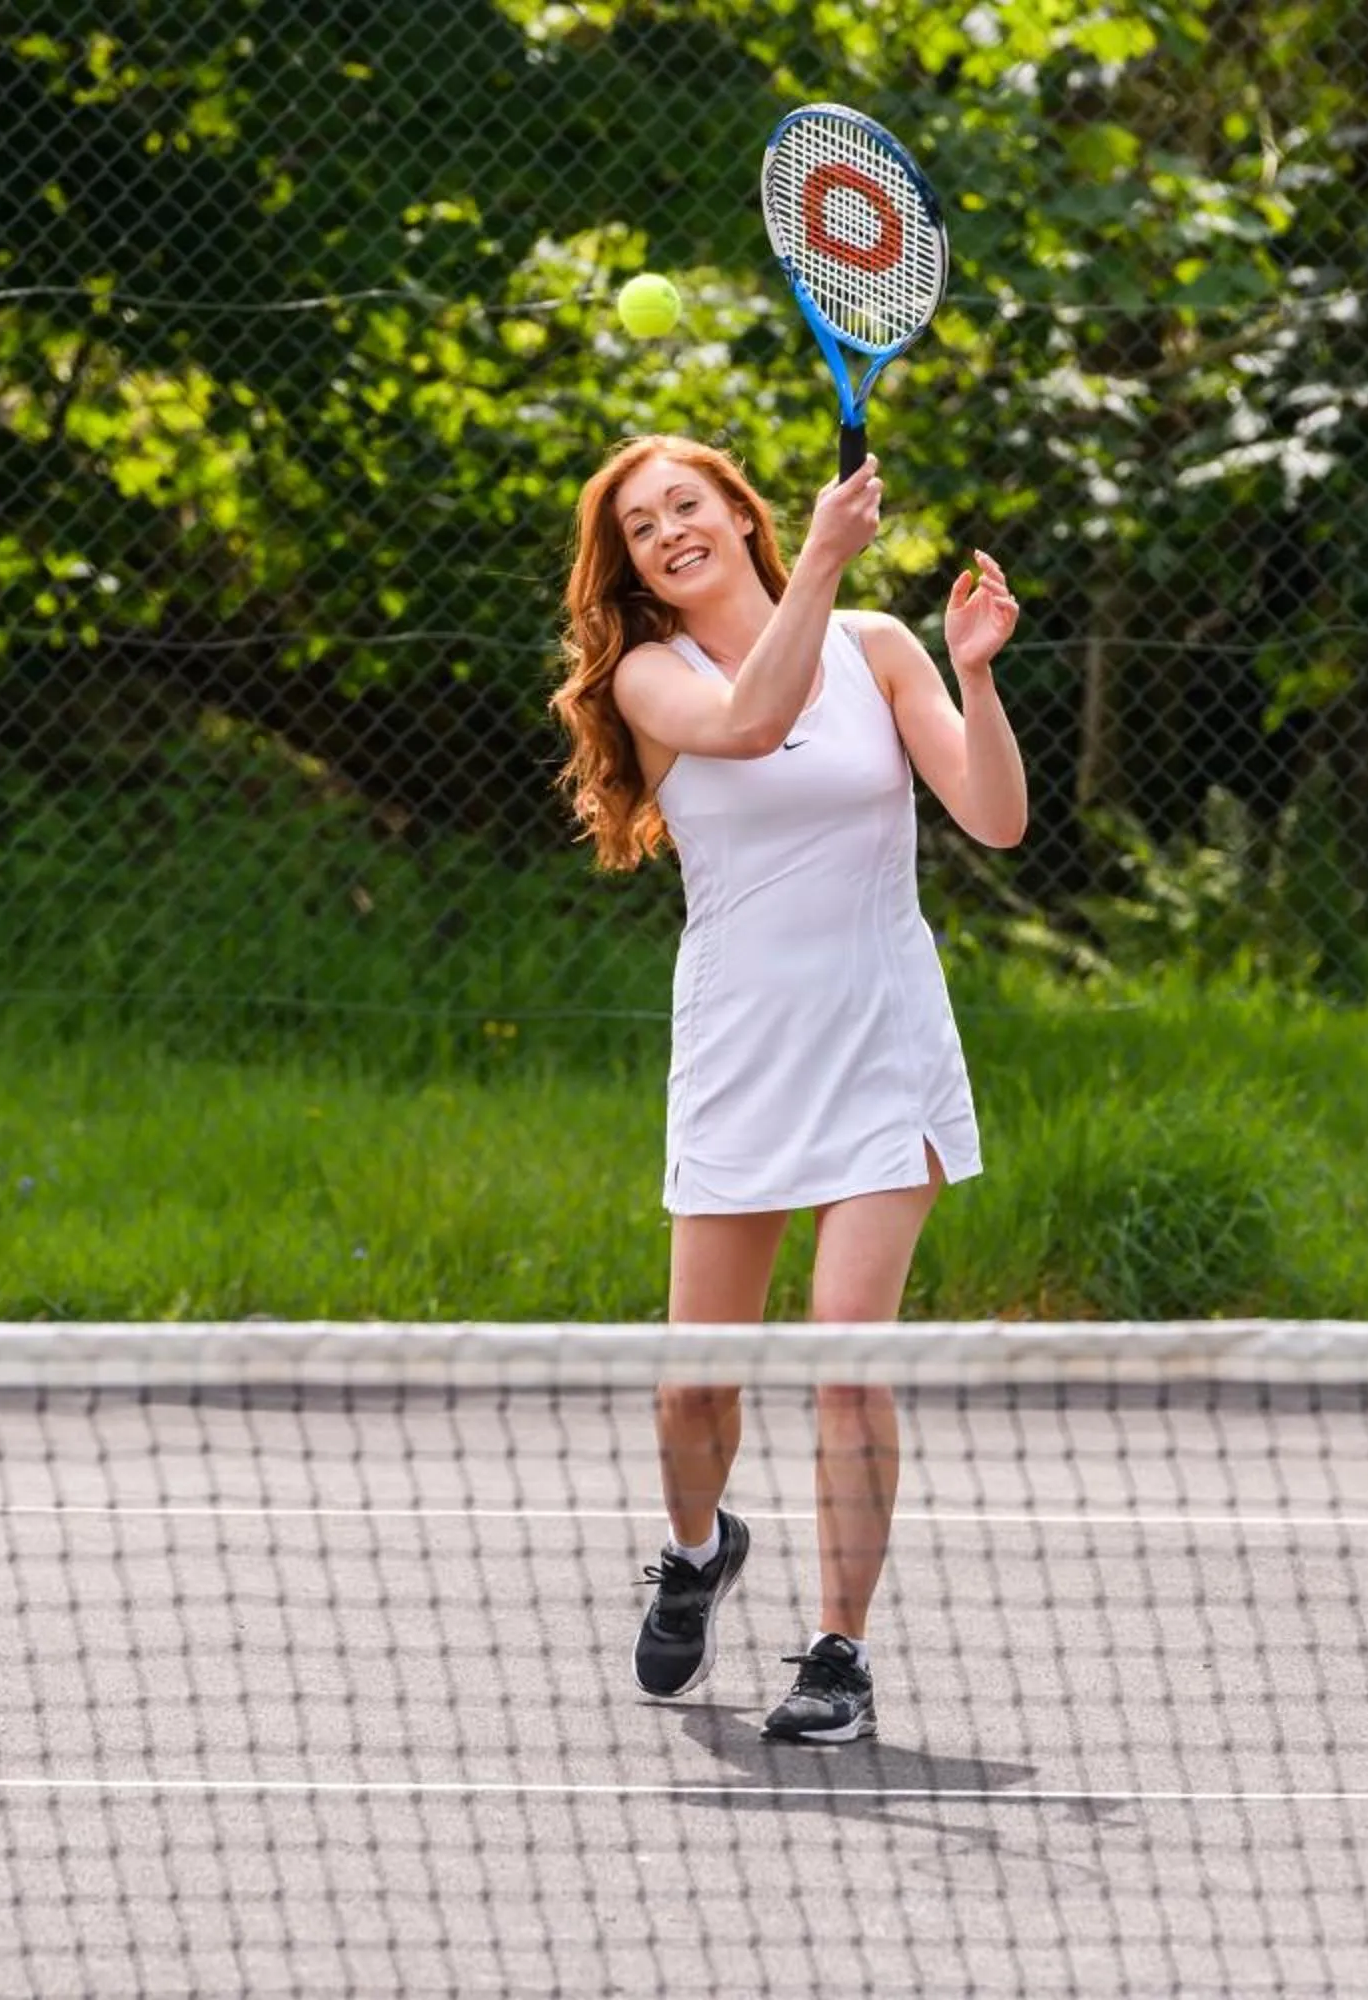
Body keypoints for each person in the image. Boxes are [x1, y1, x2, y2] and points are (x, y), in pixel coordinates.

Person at [550, 434, 1026, 1742]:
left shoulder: (879, 648)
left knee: (844, 1356)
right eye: (641, 527)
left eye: (686, 504)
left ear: (738, 514)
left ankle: (838, 1655)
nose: (668, 532)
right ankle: (699, 1550)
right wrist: (822, 558)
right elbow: (750, 725)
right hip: (741, 1059)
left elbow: (995, 819)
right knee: (694, 1387)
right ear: (631, 567)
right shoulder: (651, 676)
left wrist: (975, 677)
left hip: (884, 1047)